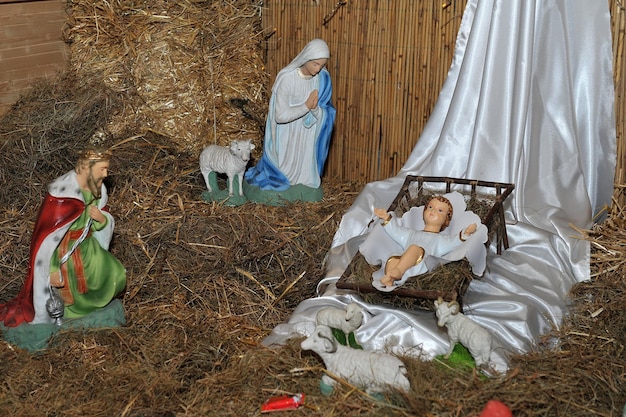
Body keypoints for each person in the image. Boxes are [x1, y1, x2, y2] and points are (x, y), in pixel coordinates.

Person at [0, 147, 126, 328]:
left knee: (115, 274)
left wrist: (101, 219)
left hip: (87, 246)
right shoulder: (63, 197)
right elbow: (48, 240)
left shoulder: (98, 189)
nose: (106, 174)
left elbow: (101, 216)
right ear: (87, 168)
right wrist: (51, 269)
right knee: (72, 289)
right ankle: (72, 315)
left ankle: (86, 310)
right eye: (102, 169)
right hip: (64, 253)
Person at [244, 38, 336, 203]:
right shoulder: (287, 79)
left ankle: (302, 183)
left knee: (305, 171)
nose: (319, 69)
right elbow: (280, 116)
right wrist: (306, 106)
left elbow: (326, 112)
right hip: (286, 134)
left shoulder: (321, 79)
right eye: (315, 64)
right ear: (306, 58)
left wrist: (315, 110)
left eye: (322, 65)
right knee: (286, 170)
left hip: (307, 134)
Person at [373, 195, 477, 289]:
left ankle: (397, 273)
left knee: (414, 248)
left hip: (421, 267)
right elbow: (396, 231)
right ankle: (390, 279)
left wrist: (466, 233)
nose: (433, 211)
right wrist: (386, 218)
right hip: (404, 264)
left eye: (440, 210)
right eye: (430, 207)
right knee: (393, 256)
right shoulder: (412, 234)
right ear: (424, 212)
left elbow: (454, 241)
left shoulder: (441, 240)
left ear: (446, 219)